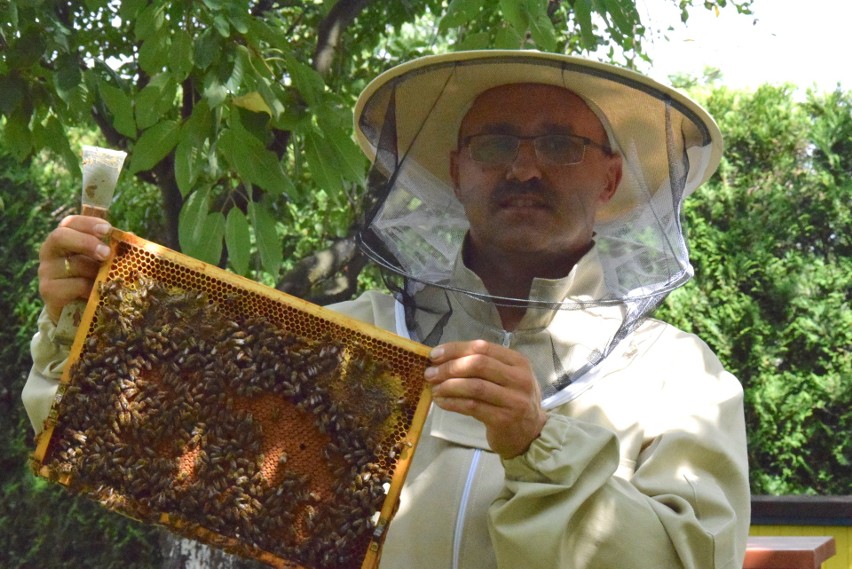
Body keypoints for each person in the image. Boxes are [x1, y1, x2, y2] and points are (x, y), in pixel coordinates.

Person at [24, 50, 750, 568]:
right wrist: (82, 324)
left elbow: (690, 560)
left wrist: (540, 445)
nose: (524, 168)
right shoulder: (355, 336)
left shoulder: (679, 379)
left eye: (560, 145)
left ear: (610, 176)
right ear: (456, 169)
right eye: (495, 143)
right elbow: (159, 432)